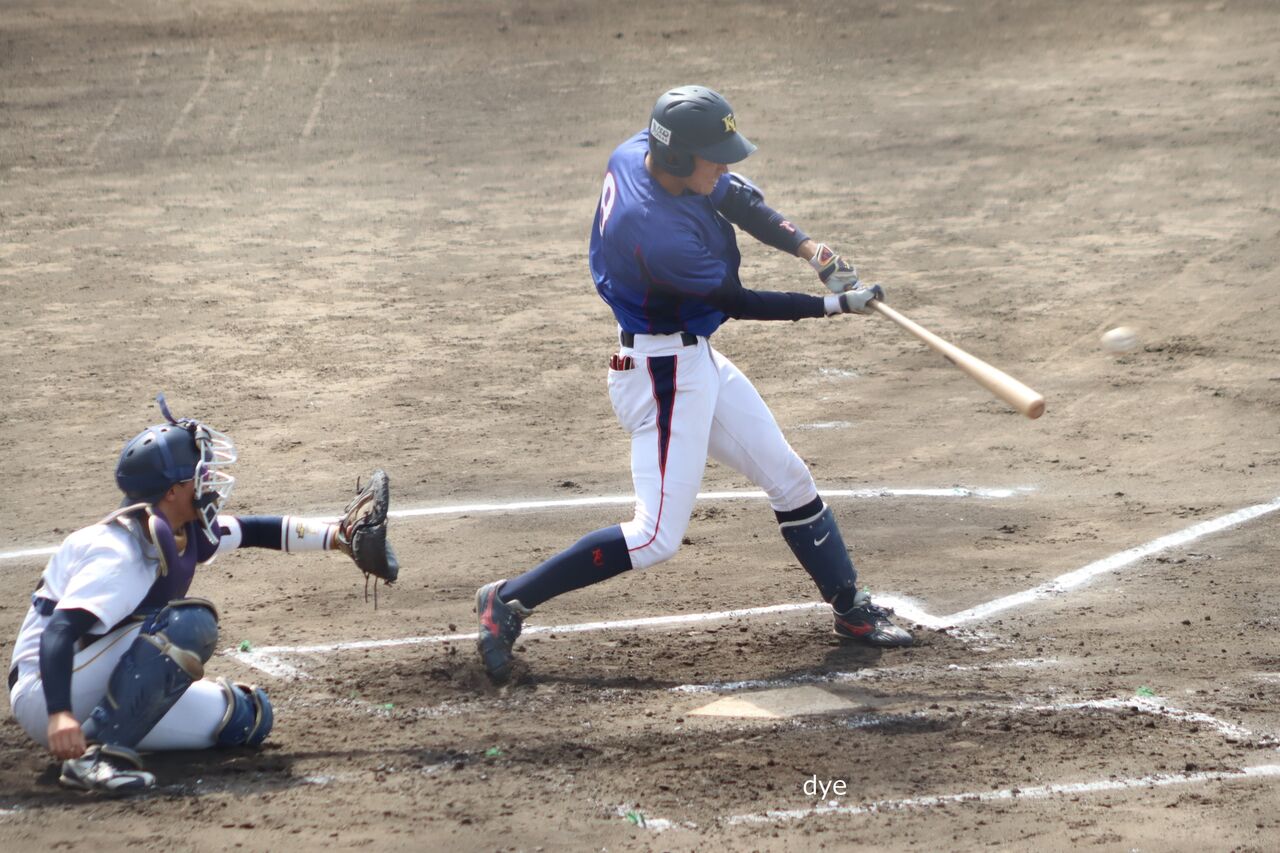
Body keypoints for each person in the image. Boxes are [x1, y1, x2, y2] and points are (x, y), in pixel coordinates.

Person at [475, 85, 913, 683]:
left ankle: (850, 608)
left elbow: (735, 198)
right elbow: (738, 301)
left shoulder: (640, 152)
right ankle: (507, 599)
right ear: (679, 157)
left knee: (787, 475)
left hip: (691, 359)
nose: (725, 167)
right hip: (662, 375)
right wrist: (832, 306)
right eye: (716, 158)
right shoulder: (655, 232)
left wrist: (812, 250)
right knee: (654, 537)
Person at [7, 395, 398, 794]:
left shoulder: (178, 529)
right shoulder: (118, 551)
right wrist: (59, 714)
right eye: (199, 473)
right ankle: (98, 759)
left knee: (247, 717)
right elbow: (59, 632)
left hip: (94, 677)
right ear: (172, 491)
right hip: (49, 687)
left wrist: (338, 538)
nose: (209, 479)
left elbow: (254, 530)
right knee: (188, 625)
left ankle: (100, 735)